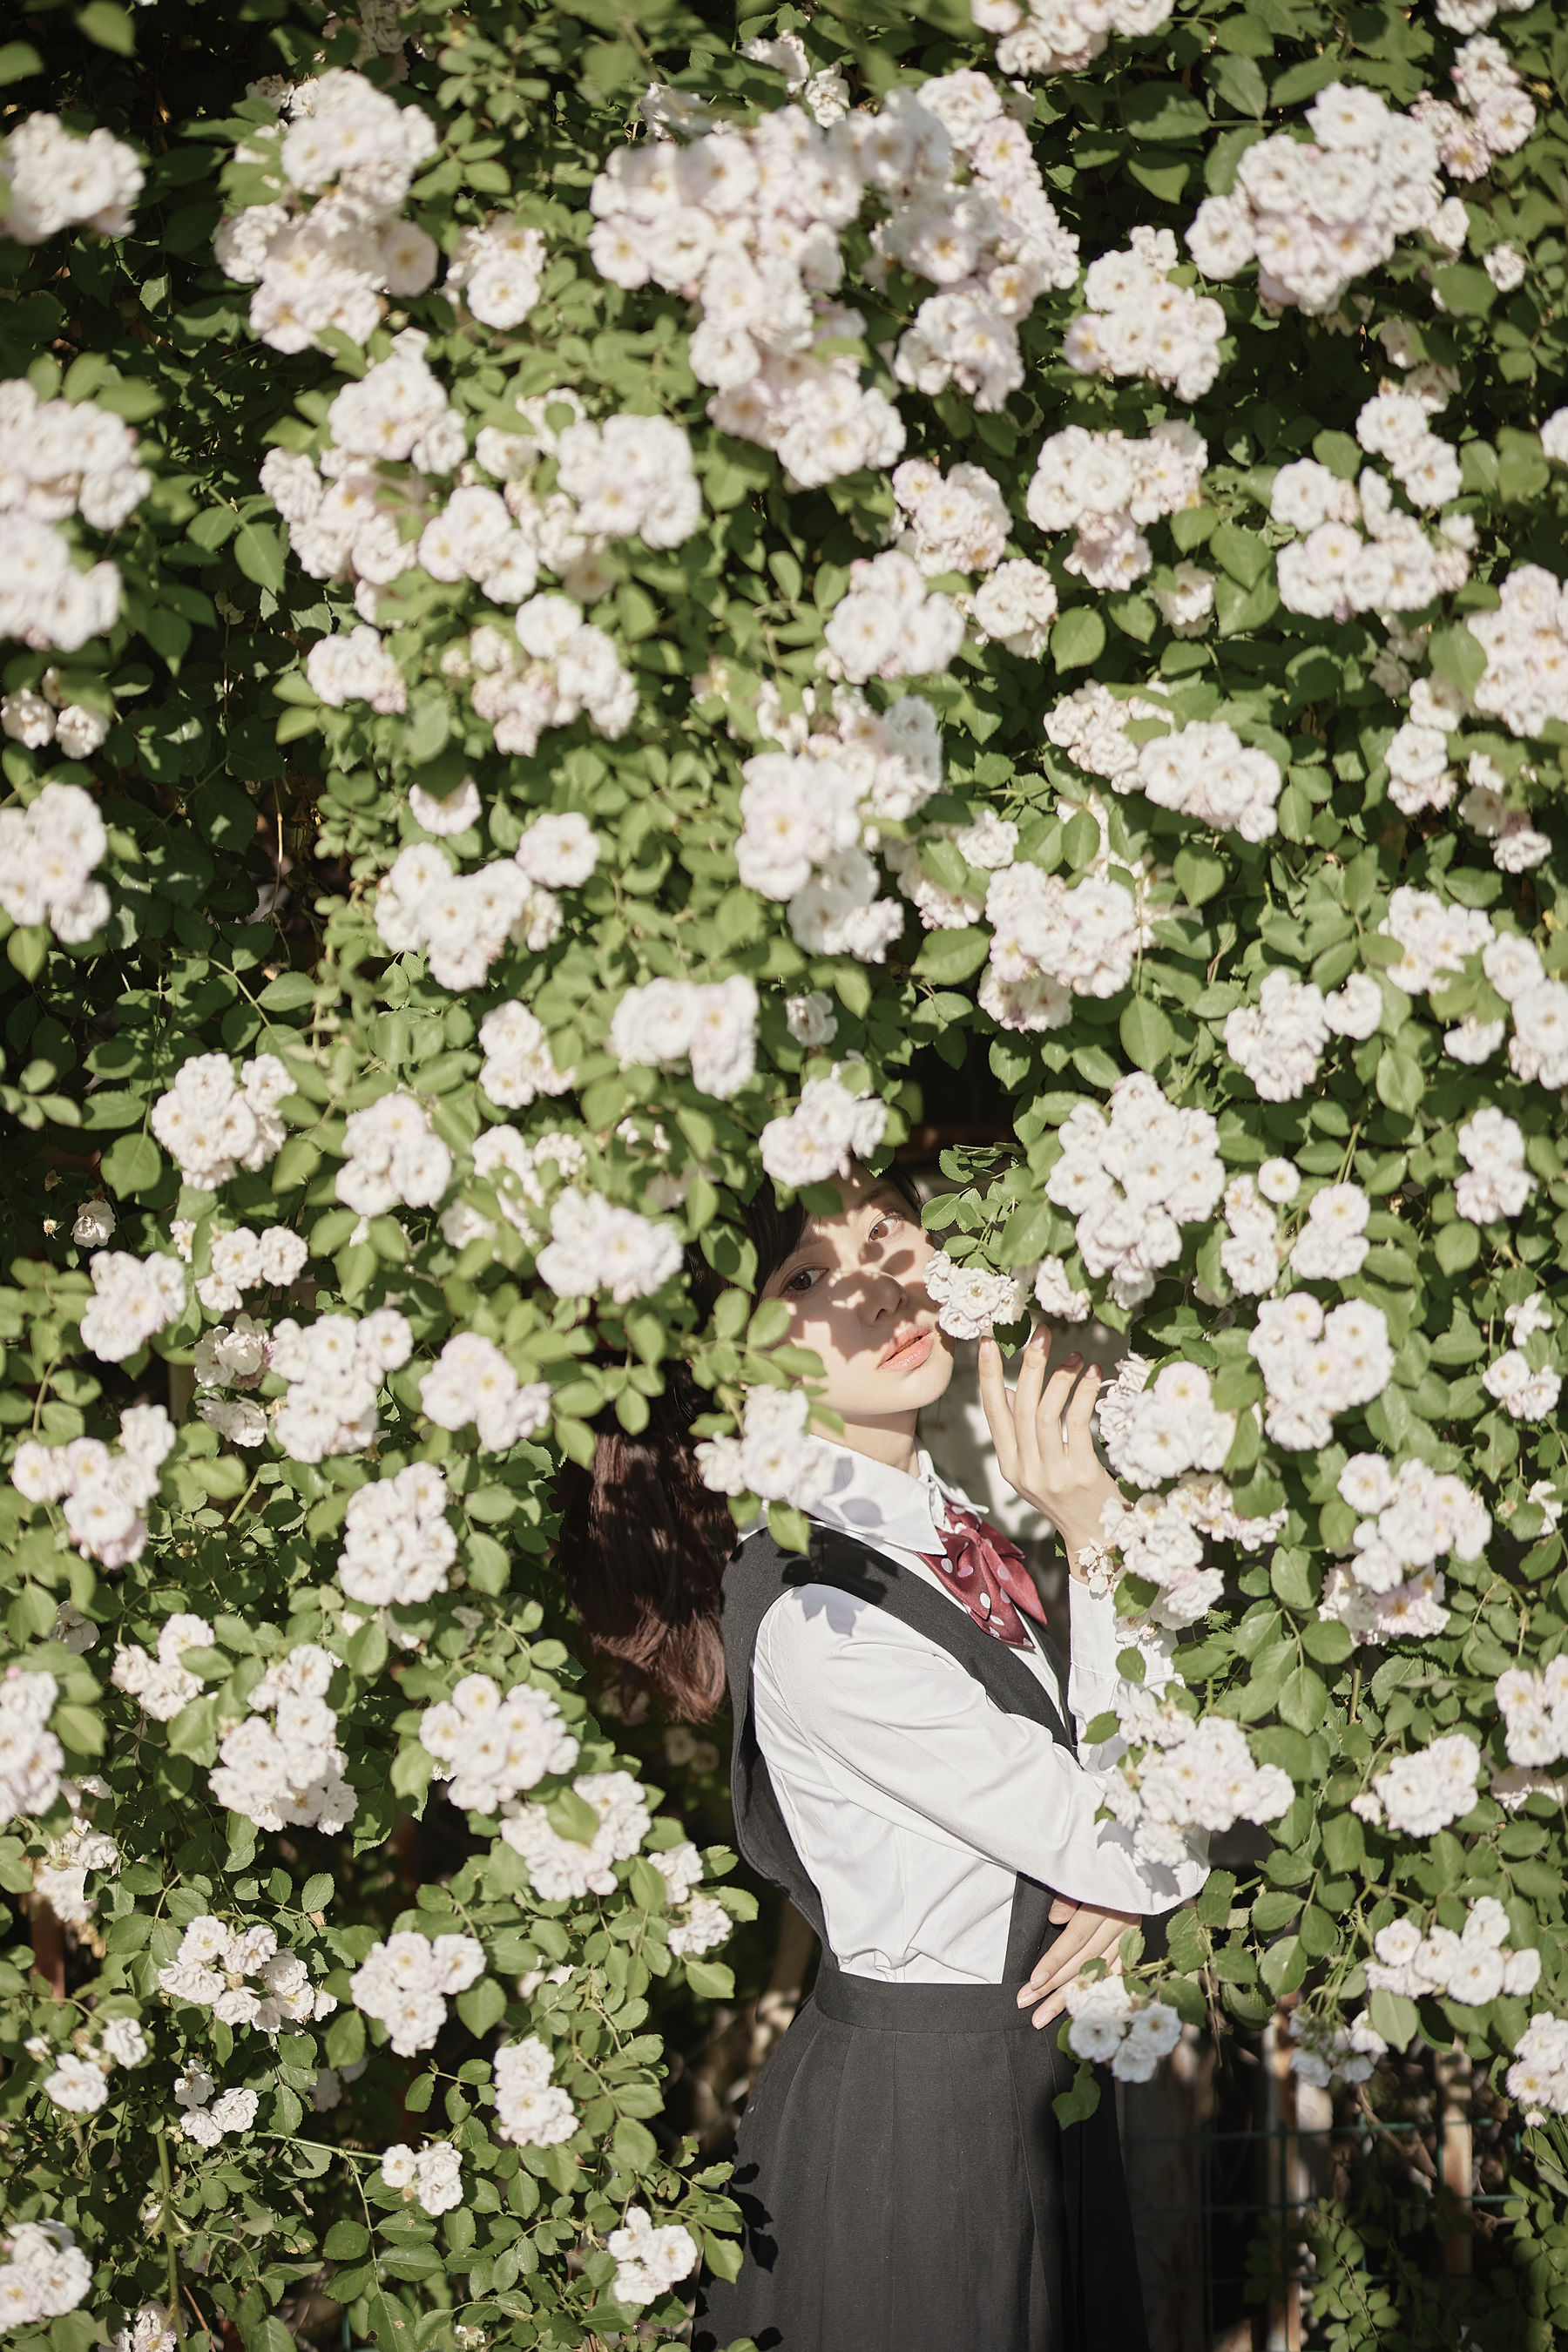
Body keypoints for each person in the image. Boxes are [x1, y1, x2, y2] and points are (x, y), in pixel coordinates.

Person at [558, 1159, 1208, 2352]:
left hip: (1018, 2082)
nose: (877, 1286)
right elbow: (1129, 1844)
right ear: (736, 1358)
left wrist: (1124, 1872)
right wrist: (1097, 1538)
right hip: (926, 2131)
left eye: (888, 1230)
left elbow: (1121, 1825)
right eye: (807, 1277)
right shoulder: (823, 1617)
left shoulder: (932, 1528)